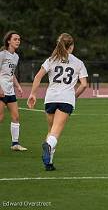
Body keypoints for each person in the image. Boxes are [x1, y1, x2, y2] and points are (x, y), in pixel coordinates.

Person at [27, 33, 88, 171]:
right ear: (71, 46)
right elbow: (84, 85)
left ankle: (49, 164)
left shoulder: (51, 60)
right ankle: (48, 146)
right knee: (55, 133)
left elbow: (37, 76)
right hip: (66, 99)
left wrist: (32, 94)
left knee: (51, 130)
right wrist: (74, 96)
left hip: (50, 99)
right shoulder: (78, 62)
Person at [0, 31, 27, 151]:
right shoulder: (2, 54)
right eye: (15, 39)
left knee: (16, 117)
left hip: (10, 91)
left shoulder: (16, 56)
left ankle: (15, 144)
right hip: (1, 90)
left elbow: (12, 74)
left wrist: (18, 86)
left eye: (19, 39)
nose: (18, 41)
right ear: (8, 41)